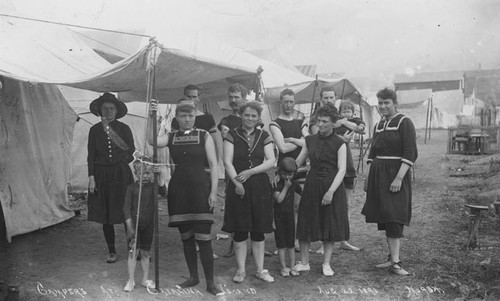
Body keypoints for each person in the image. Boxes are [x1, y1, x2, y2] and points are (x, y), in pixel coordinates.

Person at [147, 98, 223, 296]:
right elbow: (152, 141)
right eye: (183, 116)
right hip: (179, 190)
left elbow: (214, 165)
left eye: (190, 115)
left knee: (204, 238)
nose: (187, 119)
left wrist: (213, 192)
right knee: (186, 237)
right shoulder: (171, 136)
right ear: (177, 118)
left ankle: (211, 282)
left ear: (194, 117)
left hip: (201, 190)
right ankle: (193, 277)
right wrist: (151, 116)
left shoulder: (204, 135)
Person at [361, 88, 417, 276]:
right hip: (378, 175)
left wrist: (399, 178)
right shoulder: (378, 125)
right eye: (380, 103)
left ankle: (396, 262)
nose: (383, 106)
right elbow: (372, 154)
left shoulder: (404, 122)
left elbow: (410, 153)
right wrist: (368, 177)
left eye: (387, 103)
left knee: (394, 215)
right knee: (385, 215)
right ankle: (390, 258)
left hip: (395, 174)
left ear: (395, 103)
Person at [222, 101, 276, 283]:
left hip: (260, 186)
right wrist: (237, 182)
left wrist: (251, 171)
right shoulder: (232, 134)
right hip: (239, 186)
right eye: (247, 115)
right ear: (241, 115)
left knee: (258, 229)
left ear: (259, 118)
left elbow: (271, 161)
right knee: (240, 229)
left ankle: (261, 270)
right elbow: (227, 162)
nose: (250, 118)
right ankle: (241, 270)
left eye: (254, 116)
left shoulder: (264, 135)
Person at [293, 105, 348, 277]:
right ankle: (304, 262)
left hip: (332, 186)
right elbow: (298, 162)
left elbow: (342, 170)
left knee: (329, 223)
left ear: (333, 124)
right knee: (305, 220)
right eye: (319, 121)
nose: (320, 124)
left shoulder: (340, 143)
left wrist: (331, 191)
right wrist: (284, 172)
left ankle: (326, 263)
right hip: (312, 185)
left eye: (325, 121)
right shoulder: (310, 140)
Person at [87, 93, 135, 264]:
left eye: (111, 108)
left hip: (121, 175)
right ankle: (112, 251)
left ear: (116, 111)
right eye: (105, 108)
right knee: (106, 214)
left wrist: (120, 160)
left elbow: (131, 152)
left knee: (126, 212)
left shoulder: (124, 129)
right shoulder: (94, 130)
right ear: (99, 110)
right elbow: (91, 156)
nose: (108, 111)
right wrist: (92, 177)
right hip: (101, 175)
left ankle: (132, 247)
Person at [269, 88, 308, 253]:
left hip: (300, 168)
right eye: (286, 101)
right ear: (280, 102)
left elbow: (309, 140)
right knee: (283, 208)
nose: (289, 105)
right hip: (284, 169)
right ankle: (282, 243)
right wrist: (302, 142)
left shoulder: (301, 120)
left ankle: (295, 240)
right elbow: (283, 148)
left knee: (298, 206)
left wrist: (293, 139)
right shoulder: (274, 123)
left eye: (292, 101)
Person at [123, 160, 167, 292]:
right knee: (133, 253)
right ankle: (131, 280)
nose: (146, 176)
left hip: (148, 225)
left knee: (146, 253)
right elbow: (126, 209)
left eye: (148, 173)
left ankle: (145, 279)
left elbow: (163, 191)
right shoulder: (131, 188)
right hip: (133, 227)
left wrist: (160, 176)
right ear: (136, 173)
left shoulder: (153, 187)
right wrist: (130, 227)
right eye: (142, 173)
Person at [333, 101, 366, 252]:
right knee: (331, 204)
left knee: (347, 204)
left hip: (348, 166)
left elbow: (361, 129)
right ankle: (326, 241)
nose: (346, 113)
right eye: (343, 111)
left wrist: (347, 122)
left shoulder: (351, 121)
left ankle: (343, 239)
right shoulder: (334, 122)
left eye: (348, 111)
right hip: (333, 166)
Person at [273, 157, 302, 277]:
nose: (288, 177)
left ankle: (292, 266)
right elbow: (279, 199)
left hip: (290, 217)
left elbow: (302, 194)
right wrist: (285, 187)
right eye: (285, 174)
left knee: (291, 244)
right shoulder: (277, 184)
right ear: (280, 172)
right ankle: (283, 267)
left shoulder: (294, 184)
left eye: (290, 174)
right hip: (278, 218)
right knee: (281, 245)